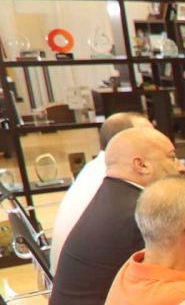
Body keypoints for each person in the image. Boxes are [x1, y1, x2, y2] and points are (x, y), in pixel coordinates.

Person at [45, 126, 185, 305]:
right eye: (172, 157)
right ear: (141, 165)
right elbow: (183, 275)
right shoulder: (137, 214)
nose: (181, 167)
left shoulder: (114, 196)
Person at [50, 111, 153, 272]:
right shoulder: (113, 177)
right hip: (89, 278)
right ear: (125, 141)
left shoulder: (95, 167)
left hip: (72, 273)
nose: (158, 139)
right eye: (149, 136)